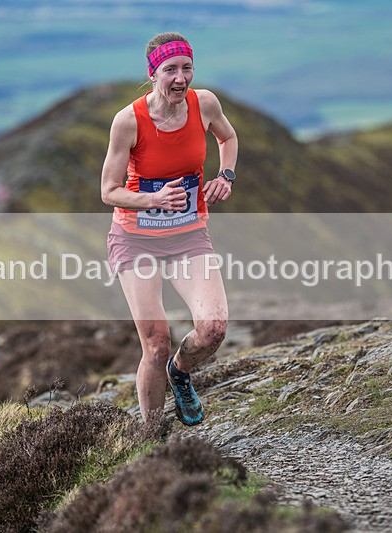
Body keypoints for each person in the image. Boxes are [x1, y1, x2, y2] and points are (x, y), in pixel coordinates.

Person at [100, 32, 238, 426]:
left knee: (212, 329)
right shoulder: (128, 122)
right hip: (134, 239)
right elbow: (108, 192)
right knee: (156, 344)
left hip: (188, 234)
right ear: (153, 74)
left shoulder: (205, 103)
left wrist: (225, 175)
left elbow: (228, 138)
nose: (180, 78)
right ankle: (152, 436)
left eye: (187, 68)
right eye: (170, 70)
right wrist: (153, 200)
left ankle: (180, 372)